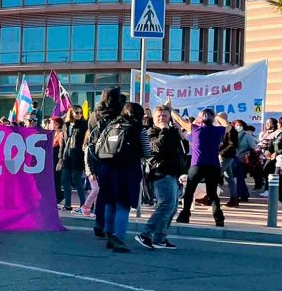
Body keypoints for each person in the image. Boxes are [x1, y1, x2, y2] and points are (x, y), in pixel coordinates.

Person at [95, 101, 150, 253]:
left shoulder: (110, 126)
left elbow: (98, 147)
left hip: (107, 168)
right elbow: (147, 151)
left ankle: (109, 232)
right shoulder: (139, 129)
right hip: (127, 169)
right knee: (123, 205)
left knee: (110, 202)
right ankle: (119, 238)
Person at [136, 105, 184, 250]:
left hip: (173, 173)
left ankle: (160, 237)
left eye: (165, 116)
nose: (162, 118)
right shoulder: (151, 131)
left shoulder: (171, 131)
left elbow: (182, 150)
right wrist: (163, 129)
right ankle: (146, 233)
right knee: (166, 204)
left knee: (173, 207)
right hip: (161, 173)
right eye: (159, 116)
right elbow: (157, 147)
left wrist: (179, 134)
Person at [174, 108, 226, 227]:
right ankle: (219, 218)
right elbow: (227, 125)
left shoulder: (195, 128)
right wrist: (219, 117)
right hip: (213, 165)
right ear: (212, 119)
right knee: (212, 193)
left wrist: (170, 108)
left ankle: (184, 215)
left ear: (200, 118)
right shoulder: (219, 130)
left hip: (197, 165)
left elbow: (179, 119)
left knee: (189, 191)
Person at [85, 87, 124, 237]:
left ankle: (99, 223)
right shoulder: (119, 114)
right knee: (115, 193)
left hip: (98, 156)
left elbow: (90, 135)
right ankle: (110, 226)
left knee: (102, 192)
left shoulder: (95, 114)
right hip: (116, 155)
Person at [59, 107, 88, 212]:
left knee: (77, 180)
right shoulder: (66, 125)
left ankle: (83, 205)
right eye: (77, 112)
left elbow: (85, 141)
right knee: (65, 180)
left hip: (78, 156)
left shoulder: (84, 125)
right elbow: (63, 142)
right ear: (71, 113)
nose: (79, 114)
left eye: (81, 113)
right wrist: (60, 158)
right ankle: (67, 205)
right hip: (67, 156)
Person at [225, 119, 256, 206]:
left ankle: (241, 195)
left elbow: (253, 147)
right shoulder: (230, 134)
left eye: (239, 125)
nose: (237, 127)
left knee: (240, 177)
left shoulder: (247, 135)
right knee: (234, 177)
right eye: (235, 125)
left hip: (242, 159)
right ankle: (243, 194)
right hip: (232, 158)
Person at [257, 118, 280, 192]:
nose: (267, 124)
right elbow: (261, 142)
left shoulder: (277, 132)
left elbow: (276, 144)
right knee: (265, 172)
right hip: (263, 155)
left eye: (269, 123)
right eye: (266, 123)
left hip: (272, 156)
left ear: (273, 124)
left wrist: (268, 146)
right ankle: (267, 189)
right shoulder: (264, 133)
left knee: (267, 171)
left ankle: (269, 190)